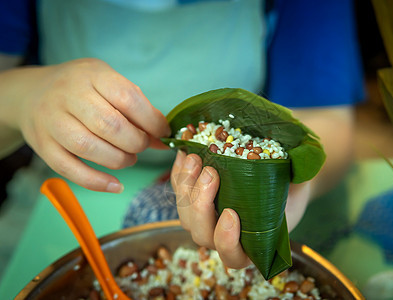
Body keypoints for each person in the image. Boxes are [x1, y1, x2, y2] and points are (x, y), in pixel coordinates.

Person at [0, 0, 364, 269]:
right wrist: (21, 96)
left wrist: (287, 192)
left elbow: (323, 123)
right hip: (65, 188)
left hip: (228, 194)